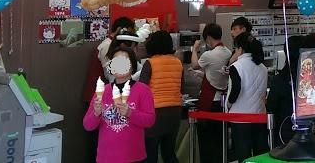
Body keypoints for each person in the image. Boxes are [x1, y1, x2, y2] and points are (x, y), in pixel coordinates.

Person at [84, 46, 155, 163]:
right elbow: (87, 125)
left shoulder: (143, 90)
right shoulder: (103, 91)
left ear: (132, 66)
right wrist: (96, 114)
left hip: (134, 157)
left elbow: (150, 121)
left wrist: (130, 113)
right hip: (106, 158)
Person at [140, 31, 184, 163]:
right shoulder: (178, 63)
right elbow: (182, 88)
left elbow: (141, 90)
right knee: (169, 153)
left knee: (150, 154)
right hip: (174, 112)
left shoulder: (150, 63)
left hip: (154, 113)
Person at [267, 33, 315, 146]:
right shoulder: (312, 76)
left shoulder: (281, 78)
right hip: (311, 130)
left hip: (285, 132)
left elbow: (271, 106)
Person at [190, 23, 231, 163]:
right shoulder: (228, 52)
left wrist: (194, 50)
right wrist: (202, 75)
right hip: (223, 102)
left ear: (208, 38)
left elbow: (194, 64)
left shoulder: (208, 55)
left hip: (209, 102)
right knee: (219, 139)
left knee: (207, 140)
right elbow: (215, 74)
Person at [227, 32, 269, 162]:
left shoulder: (236, 67)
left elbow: (235, 89)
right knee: (260, 155)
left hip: (240, 117)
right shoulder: (263, 67)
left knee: (243, 154)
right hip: (260, 116)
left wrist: (228, 104)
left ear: (240, 49)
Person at [99, 18, 136, 82]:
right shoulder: (107, 45)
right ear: (120, 29)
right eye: (129, 32)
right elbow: (109, 72)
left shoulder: (114, 44)